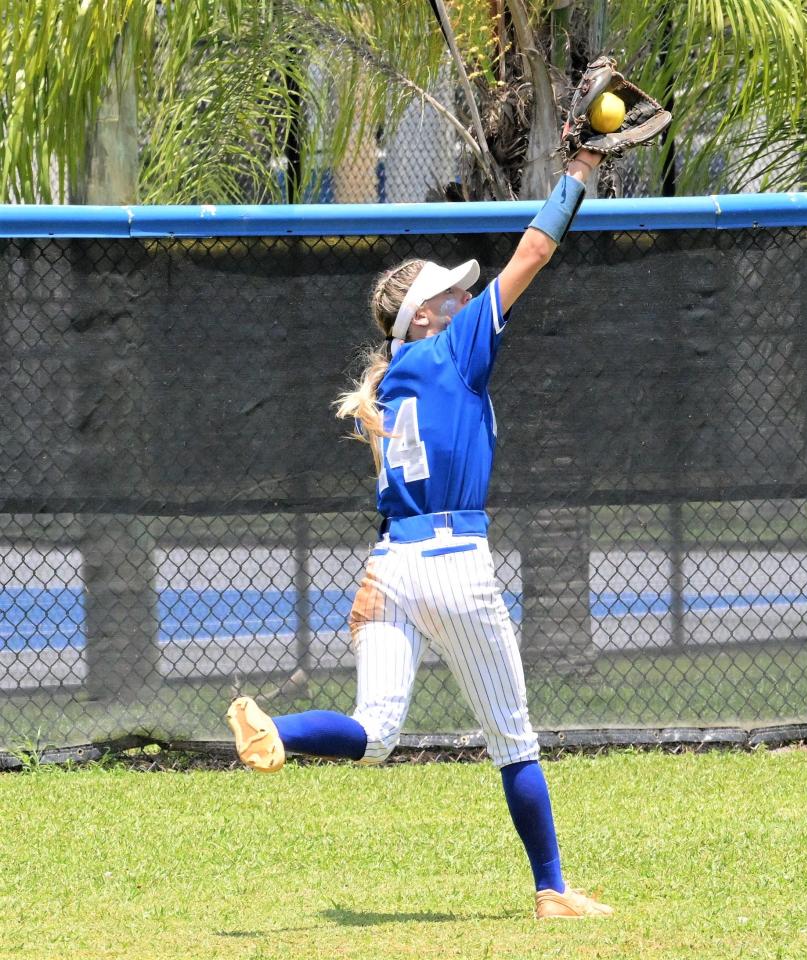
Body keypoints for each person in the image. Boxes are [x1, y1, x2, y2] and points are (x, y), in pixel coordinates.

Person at [227, 145, 612, 919]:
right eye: (454, 296)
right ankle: (552, 890)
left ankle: (279, 727)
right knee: (514, 737)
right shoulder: (449, 352)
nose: (470, 303)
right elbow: (536, 249)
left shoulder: (396, 375)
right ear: (427, 317)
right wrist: (582, 170)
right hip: (453, 564)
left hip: (390, 566)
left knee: (374, 734)